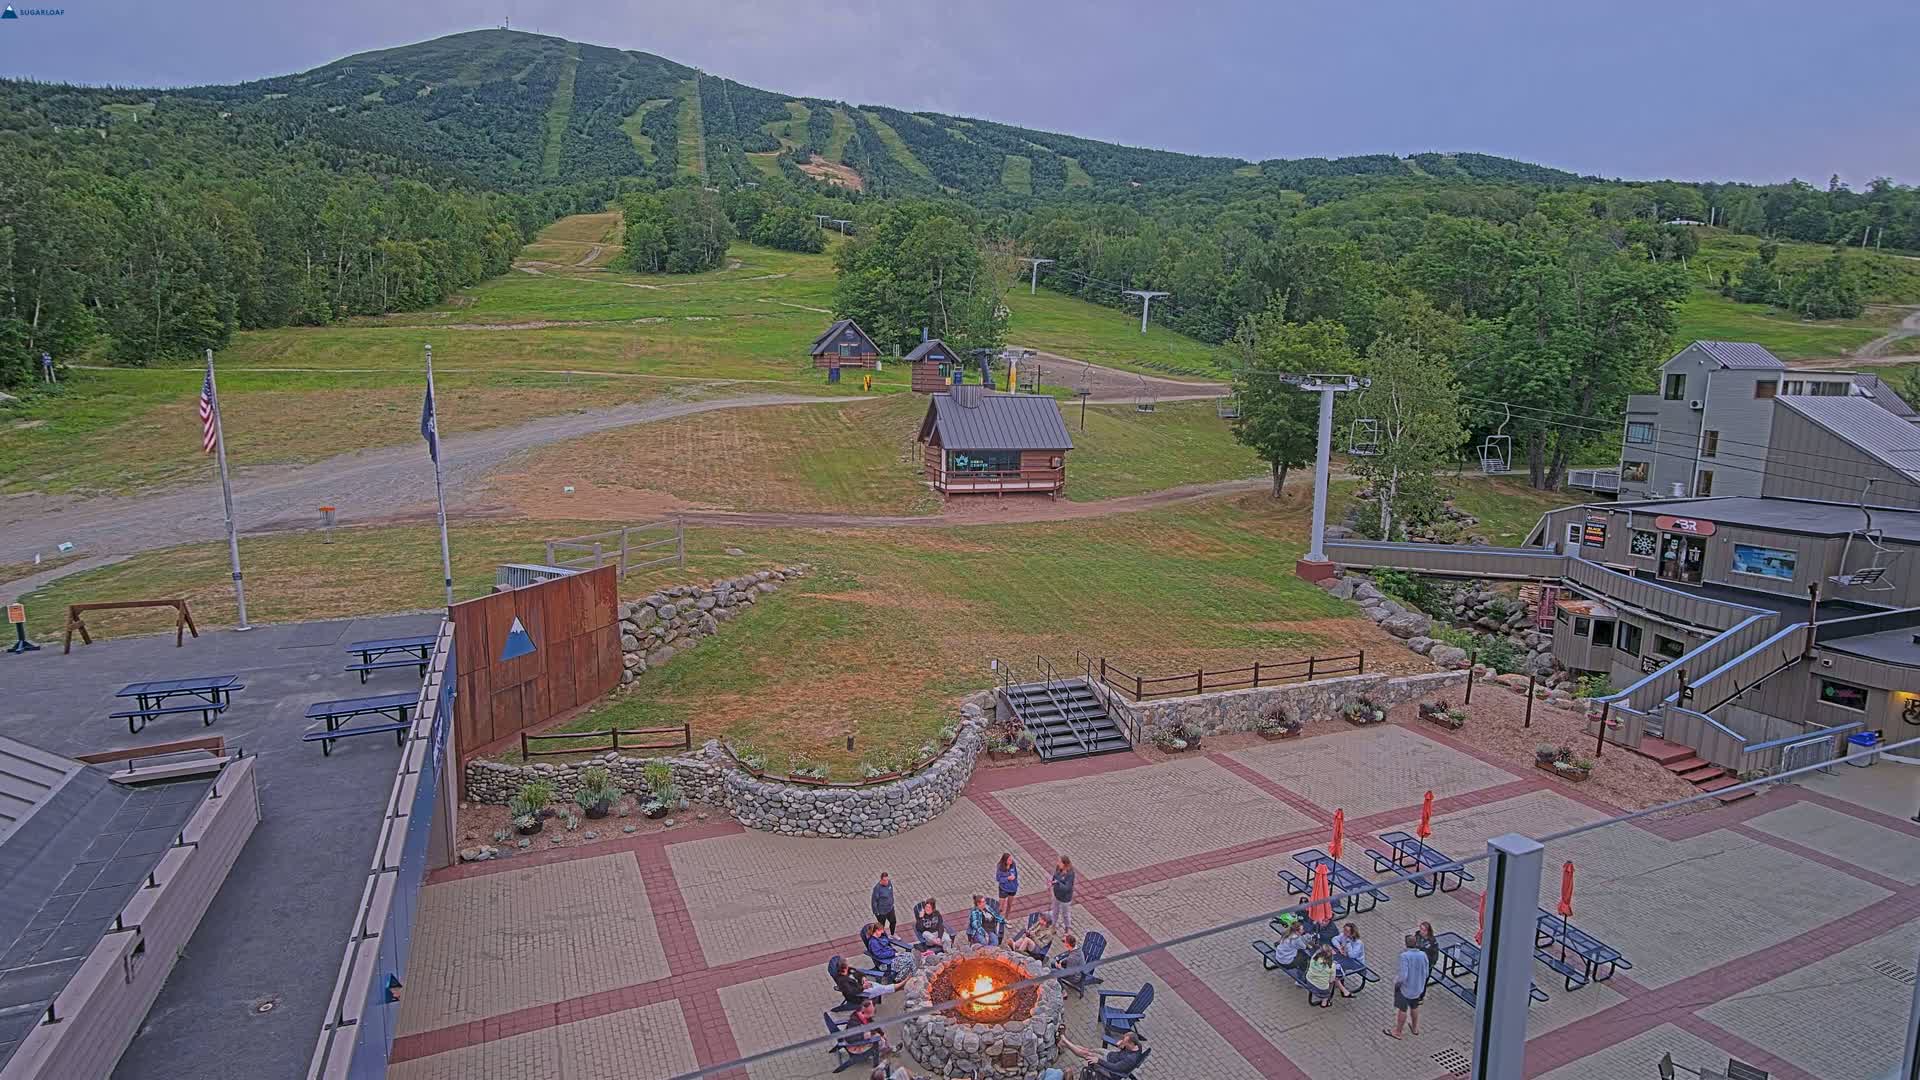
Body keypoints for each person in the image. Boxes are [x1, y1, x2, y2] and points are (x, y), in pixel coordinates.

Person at [1385, 933, 1431, 1040]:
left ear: (1406, 944)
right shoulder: (1423, 955)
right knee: (1414, 1007)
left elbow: (1403, 975)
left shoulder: (1404, 956)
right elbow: (1427, 972)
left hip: (1405, 988)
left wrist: (1397, 982)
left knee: (1402, 1009)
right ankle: (1414, 1028)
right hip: (1417, 988)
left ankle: (1398, 1032)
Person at [1058, 1031, 1146, 1079]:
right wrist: (1122, 1046)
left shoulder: (1130, 1060)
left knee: (1086, 1054)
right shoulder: (1137, 1045)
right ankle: (1064, 1044)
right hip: (1111, 1055)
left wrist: (1098, 1061)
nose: (1122, 1041)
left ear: (1131, 1043)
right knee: (1087, 1050)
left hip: (1109, 1066)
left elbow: (1115, 1068)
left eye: (1125, 1041)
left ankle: (1064, 1041)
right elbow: (1124, 1049)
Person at [1330, 923, 1365, 997]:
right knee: (1332, 961)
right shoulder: (1343, 936)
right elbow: (1334, 939)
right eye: (1344, 929)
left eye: (1347, 931)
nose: (1344, 932)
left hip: (1356, 963)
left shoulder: (1358, 943)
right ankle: (1337, 979)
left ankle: (1337, 979)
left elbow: (1352, 955)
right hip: (1346, 958)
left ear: (1352, 933)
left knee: (1336, 966)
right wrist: (1339, 947)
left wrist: (1348, 943)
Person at [1050, 856, 1076, 934]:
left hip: (1065, 898)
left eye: (1060, 862)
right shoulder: (1058, 868)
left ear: (1064, 864)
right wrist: (1052, 881)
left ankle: (1067, 929)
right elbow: (1055, 876)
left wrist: (1058, 883)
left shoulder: (1070, 874)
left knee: (1065, 914)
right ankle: (1053, 926)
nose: (1058, 863)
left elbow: (1067, 888)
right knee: (1055, 912)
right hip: (1057, 895)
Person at [995, 853, 1020, 919]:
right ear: (1005, 861)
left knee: (1009, 905)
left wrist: (1016, 883)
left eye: (1011, 859)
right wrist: (1007, 879)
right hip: (1003, 889)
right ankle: (998, 919)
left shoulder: (1013, 864)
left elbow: (1016, 874)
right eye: (1009, 860)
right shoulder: (1000, 867)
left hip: (1012, 888)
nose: (1011, 861)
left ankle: (1006, 918)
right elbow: (998, 879)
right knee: (1001, 907)